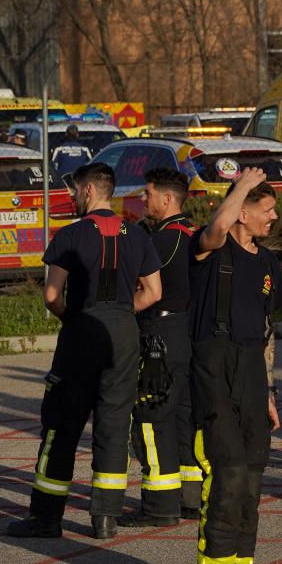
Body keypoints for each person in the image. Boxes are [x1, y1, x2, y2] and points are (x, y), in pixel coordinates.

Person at [7, 162, 162, 539]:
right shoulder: (138, 235)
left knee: (61, 425)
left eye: (75, 190)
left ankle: (46, 518)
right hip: (124, 336)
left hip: (82, 332)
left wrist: (74, 319)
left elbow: (51, 295)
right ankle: (105, 518)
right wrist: (122, 314)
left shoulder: (71, 234)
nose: (73, 197)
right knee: (113, 425)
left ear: (89, 190)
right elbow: (154, 293)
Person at [189, 167, 282, 564]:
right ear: (242, 212)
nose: (274, 218)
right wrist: (242, 183)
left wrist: (270, 393)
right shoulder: (213, 248)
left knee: (252, 479)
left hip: (251, 374)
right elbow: (217, 226)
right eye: (267, 209)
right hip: (214, 367)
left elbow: (267, 332)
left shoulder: (268, 264)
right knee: (227, 473)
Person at [117, 169, 200, 529]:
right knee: (183, 416)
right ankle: (190, 498)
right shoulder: (192, 236)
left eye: (148, 193)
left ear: (167, 199)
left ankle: (159, 505)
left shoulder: (161, 242)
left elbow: (142, 286)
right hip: (187, 334)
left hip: (158, 334)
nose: (143, 199)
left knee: (151, 418)